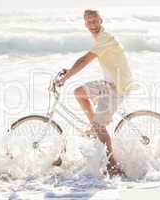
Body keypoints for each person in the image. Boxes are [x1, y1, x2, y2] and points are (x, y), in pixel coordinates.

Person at [55, 9, 134, 177]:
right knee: (79, 92)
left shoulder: (104, 38)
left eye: (95, 20)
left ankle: (113, 166)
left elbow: (84, 60)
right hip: (109, 83)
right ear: (85, 24)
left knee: (100, 126)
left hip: (117, 87)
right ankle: (94, 127)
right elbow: (87, 60)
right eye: (89, 21)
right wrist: (69, 71)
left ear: (101, 20)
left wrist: (65, 78)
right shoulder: (100, 39)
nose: (92, 24)